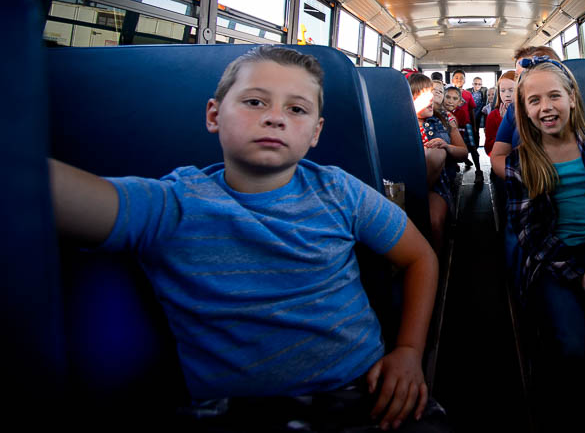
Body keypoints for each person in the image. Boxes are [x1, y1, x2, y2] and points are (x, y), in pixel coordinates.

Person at [49, 46, 444, 432]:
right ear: (214, 115)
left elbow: (419, 257)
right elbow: (60, 194)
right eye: (255, 102)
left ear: (315, 133)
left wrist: (408, 351)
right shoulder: (173, 202)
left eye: (297, 109)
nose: (275, 118)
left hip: (359, 389)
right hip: (231, 409)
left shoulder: (340, 191)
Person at [504, 56, 585, 432]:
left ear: (572, 98)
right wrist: (579, 274)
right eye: (535, 101)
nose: (546, 107)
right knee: (574, 346)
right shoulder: (521, 162)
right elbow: (530, 234)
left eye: (554, 96)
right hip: (552, 261)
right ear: (524, 111)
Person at [409, 73, 463, 256]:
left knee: (434, 222)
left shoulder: (443, 120)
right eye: (424, 95)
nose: (431, 99)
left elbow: (463, 153)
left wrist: (446, 146)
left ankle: (436, 262)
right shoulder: (397, 123)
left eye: (431, 93)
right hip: (405, 181)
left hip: (437, 185)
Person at [489, 46, 560, 180]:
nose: (521, 82)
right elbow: (497, 156)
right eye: (517, 76)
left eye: (527, 74)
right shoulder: (514, 110)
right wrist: (525, 176)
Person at [449, 70, 481, 182]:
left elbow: (472, 110)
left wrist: (474, 127)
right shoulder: (448, 94)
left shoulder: (467, 95)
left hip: (466, 124)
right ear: (452, 80)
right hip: (452, 125)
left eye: (461, 78)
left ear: (465, 80)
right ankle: (455, 165)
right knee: (452, 146)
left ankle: (478, 171)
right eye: (456, 78)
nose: (459, 80)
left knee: (472, 147)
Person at [485, 71, 515, 156]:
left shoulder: (528, 112)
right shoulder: (493, 115)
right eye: (502, 90)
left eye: (511, 90)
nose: (507, 95)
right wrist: (504, 123)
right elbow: (488, 149)